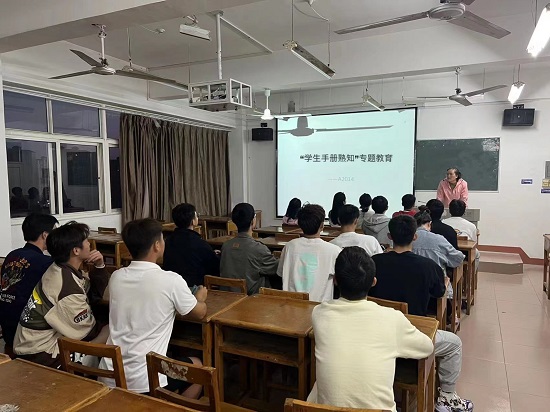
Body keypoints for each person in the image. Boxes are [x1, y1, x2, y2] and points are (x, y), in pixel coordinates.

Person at [307, 247, 433, 412]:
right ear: (373, 282)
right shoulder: (392, 318)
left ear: (335, 280)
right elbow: (427, 347)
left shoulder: (319, 313)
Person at [370, 215, 474, 412]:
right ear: (415, 237)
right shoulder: (428, 266)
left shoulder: (374, 262)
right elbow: (439, 292)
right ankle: (447, 398)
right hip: (411, 335)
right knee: (454, 344)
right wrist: (444, 282)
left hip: (377, 332)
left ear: (390, 236)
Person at [100, 219, 206, 396]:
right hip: (145, 380)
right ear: (157, 245)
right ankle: (168, 406)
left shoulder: (117, 276)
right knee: (198, 367)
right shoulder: (171, 280)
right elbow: (200, 313)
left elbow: (109, 297)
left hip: (109, 373)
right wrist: (200, 298)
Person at [13, 222, 110, 368]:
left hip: (30, 342)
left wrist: (99, 265)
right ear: (76, 251)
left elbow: (92, 292)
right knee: (112, 331)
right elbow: (88, 331)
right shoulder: (66, 287)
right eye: (86, 241)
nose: (89, 244)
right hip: (40, 353)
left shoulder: (59, 268)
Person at [0, 213, 58, 352]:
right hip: (26, 332)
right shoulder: (44, 262)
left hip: (6, 325)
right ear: (45, 235)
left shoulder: (12, 255)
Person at [277, 204, 341, 302]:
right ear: (322, 226)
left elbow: (281, 273)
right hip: (320, 307)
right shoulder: (334, 251)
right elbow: (338, 282)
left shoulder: (289, 246)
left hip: (290, 305)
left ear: (300, 224)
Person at [220, 203, 279, 294]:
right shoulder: (259, 249)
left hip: (228, 296)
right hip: (251, 298)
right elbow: (276, 269)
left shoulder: (226, 246)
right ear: (252, 221)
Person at [163, 203, 220, 287]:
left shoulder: (168, 240)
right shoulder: (199, 243)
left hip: (171, 284)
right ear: (193, 221)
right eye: (196, 216)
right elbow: (214, 267)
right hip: (194, 287)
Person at [413, 211, 465, 276]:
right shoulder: (438, 239)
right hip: (435, 279)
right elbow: (458, 258)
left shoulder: (406, 240)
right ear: (429, 224)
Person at [444, 199, 480, 272]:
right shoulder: (471, 226)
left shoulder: (443, 222)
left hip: (446, 251)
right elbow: (473, 243)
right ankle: (470, 274)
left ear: (449, 210)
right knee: (477, 253)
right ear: (464, 211)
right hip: (464, 253)